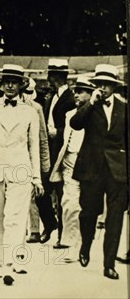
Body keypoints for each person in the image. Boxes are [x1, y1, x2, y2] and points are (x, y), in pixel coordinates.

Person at [0, 64, 43, 285]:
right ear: (1, 84)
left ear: (22, 85)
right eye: (7, 81)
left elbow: (34, 146)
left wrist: (36, 177)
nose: (10, 85)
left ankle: (10, 263)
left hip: (20, 168)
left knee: (15, 216)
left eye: (15, 81)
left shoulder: (30, 112)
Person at [71, 64, 128, 280]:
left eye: (107, 84)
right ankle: (86, 245)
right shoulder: (89, 106)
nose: (103, 88)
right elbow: (75, 124)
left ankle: (109, 264)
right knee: (88, 213)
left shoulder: (124, 108)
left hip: (117, 170)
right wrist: (91, 103)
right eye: (99, 84)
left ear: (114, 86)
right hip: (91, 168)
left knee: (115, 218)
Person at [48, 76, 95, 255]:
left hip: (89, 164)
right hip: (68, 163)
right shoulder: (69, 115)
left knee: (86, 205)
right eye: (75, 91)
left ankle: (82, 244)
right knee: (69, 202)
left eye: (81, 91)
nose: (76, 95)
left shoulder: (96, 114)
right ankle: (69, 243)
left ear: (91, 94)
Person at [39, 59, 75, 245]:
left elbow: (75, 126)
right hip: (47, 152)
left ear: (61, 77)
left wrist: (57, 132)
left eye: (52, 75)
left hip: (62, 151)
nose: (49, 78)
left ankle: (62, 235)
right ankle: (49, 223)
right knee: (41, 191)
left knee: (62, 195)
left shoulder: (71, 98)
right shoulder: (49, 97)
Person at [20, 77, 51, 244]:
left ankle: (34, 229)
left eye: (29, 92)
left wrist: (45, 163)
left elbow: (43, 138)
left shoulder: (36, 108)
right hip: (14, 155)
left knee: (32, 194)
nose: (26, 95)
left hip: (32, 156)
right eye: (24, 91)